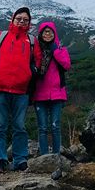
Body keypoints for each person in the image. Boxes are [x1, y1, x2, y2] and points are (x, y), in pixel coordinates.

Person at [0, 7, 41, 173]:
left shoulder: (32, 41)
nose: (22, 21)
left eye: (25, 20)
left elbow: (38, 61)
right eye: (19, 18)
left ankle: (20, 160)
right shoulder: (0, 36)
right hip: (1, 89)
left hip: (21, 91)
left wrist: (32, 72)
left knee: (19, 127)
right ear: (13, 19)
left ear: (29, 23)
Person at [31, 21, 71, 159]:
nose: (47, 34)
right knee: (42, 128)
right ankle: (44, 157)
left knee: (55, 126)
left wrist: (55, 50)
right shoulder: (36, 51)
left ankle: (56, 156)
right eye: (45, 31)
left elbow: (66, 65)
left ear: (55, 34)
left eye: (50, 31)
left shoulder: (61, 50)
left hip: (57, 94)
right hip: (39, 94)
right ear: (40, 34)